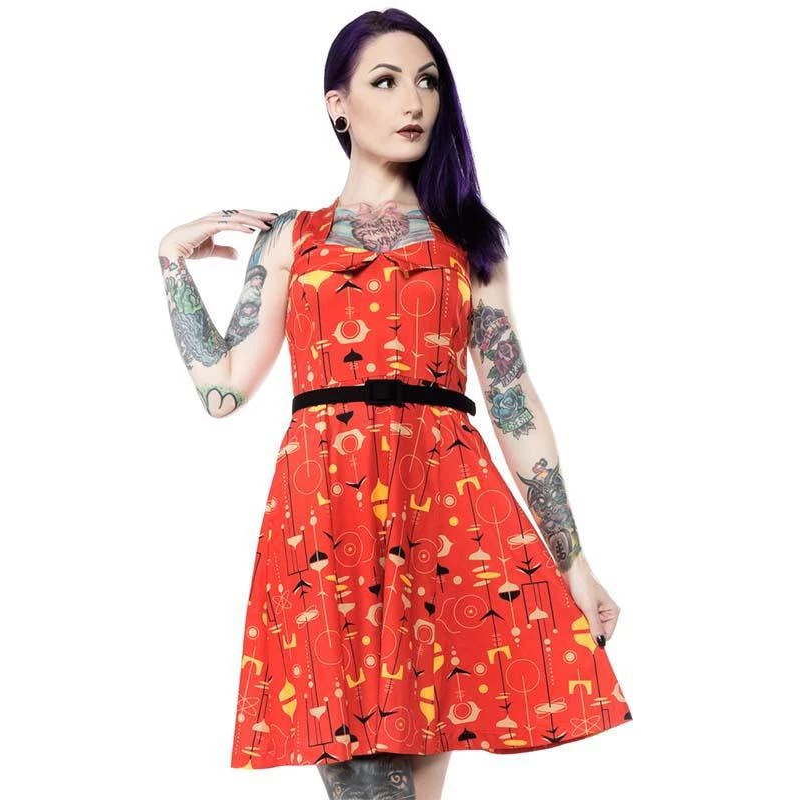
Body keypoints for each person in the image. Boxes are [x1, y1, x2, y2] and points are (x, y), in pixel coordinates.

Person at [157, 9, 632, 800]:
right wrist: (172, 262)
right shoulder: (293, 238)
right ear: (338, 105)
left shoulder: (469, 243)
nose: (413, 101)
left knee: (414, 781)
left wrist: (574, 564)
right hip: (325, 516)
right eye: (385, 82)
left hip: (444, 509)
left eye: (427, 82)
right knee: (368, 780)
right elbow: (224, 387)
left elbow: (512, 399)